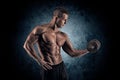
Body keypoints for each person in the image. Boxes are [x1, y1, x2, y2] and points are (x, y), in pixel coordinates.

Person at [23, 7, 90, 80]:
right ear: (56, 18)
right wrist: (39, 60)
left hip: (61, 67)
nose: (66, 22)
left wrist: (88, 50)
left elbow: (72, 53)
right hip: (48, 67)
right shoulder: (41, 30)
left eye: (67, 20)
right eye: (64, 20)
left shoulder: (63, 35)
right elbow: (27, 45)